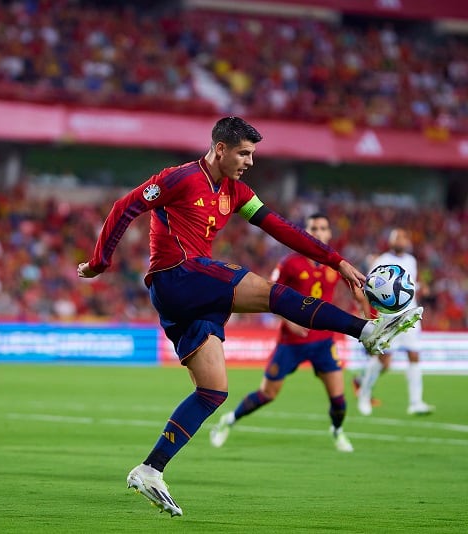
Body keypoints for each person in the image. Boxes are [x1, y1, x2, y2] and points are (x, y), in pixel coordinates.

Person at [77, 117, 423, 517]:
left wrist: (337, 261)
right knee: (272, 294)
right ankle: (366, 330)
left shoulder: (237, 192)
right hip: (179, 275)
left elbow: (280, 227)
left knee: (213, 390)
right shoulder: (179, 178)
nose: (250, 161)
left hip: (194, 298)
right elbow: (127, 206)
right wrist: (101, 261)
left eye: (253, 153)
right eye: (244, 153)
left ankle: (150, 469)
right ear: (220, 149)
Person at [208, 213, 373, 454]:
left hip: (323, 342)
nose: (318, 232)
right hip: (291, 342)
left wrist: (365, 312)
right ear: (306, 233)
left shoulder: (336, 265)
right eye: (313, 228)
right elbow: (270, 296)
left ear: (329, 234)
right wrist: (290, 322)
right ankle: (229, 420)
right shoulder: (289, 264)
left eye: (323, 228)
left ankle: (337, 432)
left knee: (339, 399)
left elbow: (356, 295)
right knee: (267, 393)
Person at [354, 228, 433, 416]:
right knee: (384, 360)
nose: (403, 240)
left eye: (405, 237)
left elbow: (407, 285)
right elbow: (369, 288)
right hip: (390, 317)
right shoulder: (382, 261)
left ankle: (416, 403)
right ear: (391, 241)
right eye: (398, 237)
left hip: (411, 315)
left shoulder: (411, 261)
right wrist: (367, 314)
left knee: (414, 355)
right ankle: (364, 394)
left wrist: (421, 288)